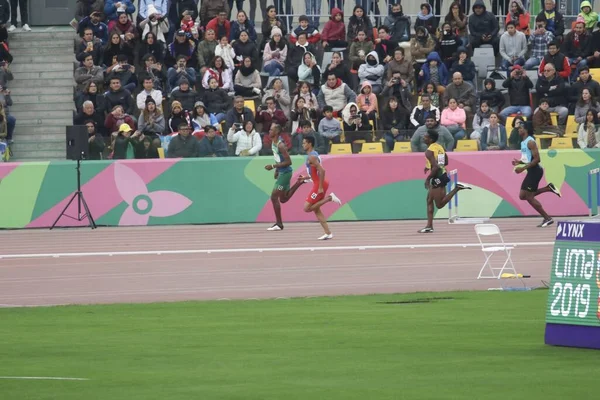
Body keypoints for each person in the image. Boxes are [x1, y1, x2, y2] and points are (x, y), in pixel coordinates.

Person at [419, 130, 471, 233]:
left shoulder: (429, 152)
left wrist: (428, 179)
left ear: (430, 139)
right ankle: (429, 226)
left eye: (425, 137)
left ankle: (457, 188)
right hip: (441, 174)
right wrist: (428, 166)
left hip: (437, 176)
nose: (423, 138)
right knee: (429, 200)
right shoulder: (439, 147)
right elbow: (444, 162)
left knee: (439, 205)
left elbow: (436, 167)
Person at [512, 121, 561, 227]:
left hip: (535, 171)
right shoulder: (523, 142)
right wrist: (519, 162)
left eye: (521, 128)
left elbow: (537, 159)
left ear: (526, 130)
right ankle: (548, 188)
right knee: (522, 196)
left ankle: (547, 218)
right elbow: (528, 159)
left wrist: (522, 168)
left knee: (529, 197)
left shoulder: (531, 142)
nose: (519, 129)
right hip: (531, 171)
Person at [298, 136, 342, 240]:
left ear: (310, 144)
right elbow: (315, 173)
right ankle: (328, 233)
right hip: (318, 183)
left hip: (319, 184)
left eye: (304, 143)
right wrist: (306, 178)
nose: (303, 145)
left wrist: (320, 187)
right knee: (316, 209)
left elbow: (322, 171)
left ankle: (329, 198)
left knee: (307, 208)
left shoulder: (311, 157)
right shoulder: (312, 155)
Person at [264, 124, 305, 231]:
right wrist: (277, 170)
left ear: (277, 132)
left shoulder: (280, 145)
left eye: (271, 130)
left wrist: (273, 166)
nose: (269, 131)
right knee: (283, 199)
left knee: (274, 197)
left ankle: (279, 224)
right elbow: (279, 158)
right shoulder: (273, 142)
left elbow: (288, 161)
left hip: (285, 173)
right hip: (282, 172)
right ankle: (299, 182)